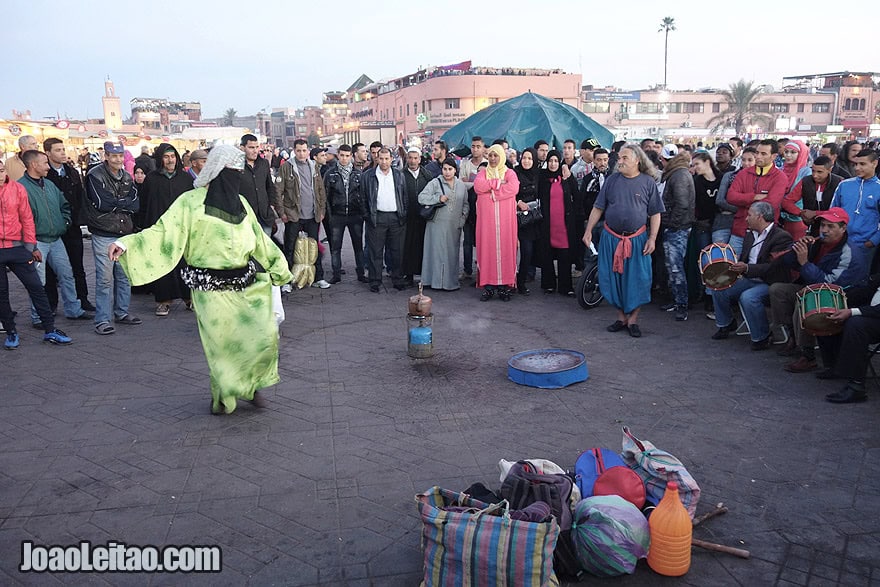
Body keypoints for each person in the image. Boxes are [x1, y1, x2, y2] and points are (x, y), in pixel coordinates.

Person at [109, 145, 293, 415]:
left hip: (245, 284)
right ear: (218, 171)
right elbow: (163, 232)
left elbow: (259, 241)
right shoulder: (190, 202)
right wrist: (126, 245)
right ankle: (224, 397)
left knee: (257, 337)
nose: (237, 176)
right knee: (222, 345)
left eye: (240, 172)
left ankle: (252, 386)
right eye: (234, 171)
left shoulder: (240, 203)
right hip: (210, 290)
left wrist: (281, 270)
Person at [582, 144, 664, 337]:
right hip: (611, 238)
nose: (620, 161)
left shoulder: (647, 182)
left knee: (639, 279)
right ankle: (621, 317)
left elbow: (655, 214)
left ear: (637, 160)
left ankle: (633, 320)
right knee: (612, 279)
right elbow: (598, 207)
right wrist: (588, 231)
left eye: (625, 158)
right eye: (619, 157)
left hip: (637, 240)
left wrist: (652, 238)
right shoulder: (611, 181)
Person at [772, 207, 868, 368]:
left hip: (839, 296)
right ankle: (793, 336)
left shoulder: (849, 253)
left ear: (843, 228)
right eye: (823, 225)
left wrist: (805, 263)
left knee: (802, 301)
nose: (825, 230)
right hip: (813, 287)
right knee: (777, 290)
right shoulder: (817, 242)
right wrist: (798, 248)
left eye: (831, 227)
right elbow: (788, 262)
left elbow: (829, 284)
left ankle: (808, 354)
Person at [0, 160, 73, 348]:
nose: (0, 174)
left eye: (1, 170)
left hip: (18, 248)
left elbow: (26, 218)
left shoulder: (17, 189)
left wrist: (31, 246)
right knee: (1, 294)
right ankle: (11, 332)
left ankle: (50, 329)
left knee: (37, 288)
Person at [18, 150, 92, 326]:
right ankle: (38, 317)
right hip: (36, 241)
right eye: (44, 163)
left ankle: (73, 309)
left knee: (67, 275)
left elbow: (64, 205)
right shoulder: (21, 188)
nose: (47, 166)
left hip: (56, 239)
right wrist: (30, 244)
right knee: (38, 281)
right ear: (33, 165)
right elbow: (19, 218)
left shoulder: (49, 184)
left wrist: (64, 222)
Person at [710, 202, 793, 349]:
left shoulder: (782, 237)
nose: (746, 219)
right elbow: (745, 258)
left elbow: (773, 268)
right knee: (718, 285)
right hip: (749, 277)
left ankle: (762, 336)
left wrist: (747, 268)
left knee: (748, 297)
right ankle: (726, 324)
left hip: (770, 282)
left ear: (760, 217)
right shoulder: (750, 234)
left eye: (749, 215)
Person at [85, 141, 142, 335]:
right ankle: (102, 319)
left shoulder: (126, 176)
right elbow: (101, 203)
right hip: (104, 232)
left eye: (120, 155)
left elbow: (135, 205)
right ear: (106, 156)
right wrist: (122, 204)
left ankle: (121, 312)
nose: (118, 159)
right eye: (113, 155)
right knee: (104, 279)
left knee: (124, 276)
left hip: (123, 232)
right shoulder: (95, 175)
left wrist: (117, 204)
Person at [139, 143, 194, 316]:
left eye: (172, 156)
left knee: (185, 264)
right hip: (159, 229)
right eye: (166, 157)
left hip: (182, 229)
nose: (170, 160)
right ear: (160, 159)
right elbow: (145, 204)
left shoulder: (186, 179)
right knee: (162, 264)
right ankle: (163, 301)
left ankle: (189, 298)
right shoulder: (152, 179)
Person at [43, 137, 94, 313]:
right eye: (58, 150)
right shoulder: (45, 174)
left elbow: (80, 197)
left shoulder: (71, 172)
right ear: (48, 153)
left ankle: (82, 299)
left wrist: (79, 220)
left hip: (71, 226)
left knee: (77, 265)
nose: (63, 153)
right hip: (53, 228)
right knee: (51, 270)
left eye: (63, 149)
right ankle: (51, 304)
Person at [275, 139, 329, 289]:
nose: (302, 153)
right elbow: (278, 191)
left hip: (312, 215)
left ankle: (318, 278)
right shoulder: (287, 167)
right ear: (294, 150)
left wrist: (322, 210)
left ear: (308, 151)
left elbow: (320, 190)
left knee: (314, 247)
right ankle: (287, 281)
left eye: (304, 150)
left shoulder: (314, 167)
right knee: (290, 248)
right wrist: (282, 212)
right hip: (293, 215)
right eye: (298, 150)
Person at [474, 144, 520, 301]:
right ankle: (488, 287)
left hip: (506, 222)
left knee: (506, 250)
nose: (493, 159)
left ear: (502, 157)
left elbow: (513, 188)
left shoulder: (510, 173)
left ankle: (504, 287)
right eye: (491, 155)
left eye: (496, 155)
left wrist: (491, 194)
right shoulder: (482, 173)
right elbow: (478, 186)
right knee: (487, 251)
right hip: (487, 224)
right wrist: (498, 184)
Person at [726, 139, 789, 254]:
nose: (758, 156)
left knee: (756, 269)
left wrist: (743, 200)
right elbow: (730, 196)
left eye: (763, 154)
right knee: (730, 267)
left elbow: (771, 205)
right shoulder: (743, 173)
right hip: (740, 230)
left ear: (774, 156)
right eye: (757, 152)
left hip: (763, 235)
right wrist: (754, 197)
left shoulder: (780, 177)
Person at [360, 148, 408, 292]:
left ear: (391, 159)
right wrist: (367, 216)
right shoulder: (368, 175)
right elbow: (362, 198)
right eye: (381, 158)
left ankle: (397, 279)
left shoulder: (399, 175)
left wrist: (403, 214)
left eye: (387, 159)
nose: (384, 162)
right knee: (376, 252)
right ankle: (375, 281)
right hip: (376, 218)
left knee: (397, 251)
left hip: (396, 217)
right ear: (377, 159)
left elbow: (404, 197)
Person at [418, 157, 469, 291]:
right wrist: (437, 198)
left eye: (450, 169)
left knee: (451, 254)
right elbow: (421, 198)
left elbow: (465, 205)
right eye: (445, 169)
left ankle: (449, 283)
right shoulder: (435, 183)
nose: (447, 172)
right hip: (436, 224)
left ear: (455, 170)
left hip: (454, 226)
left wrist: (461, 221)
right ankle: (433, 282)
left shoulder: (461, 186)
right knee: (435, 253)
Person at [657, 150, 695, 320]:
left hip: (677, 228)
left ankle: (681, 304)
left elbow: (682, 204)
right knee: (672, 267)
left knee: (675, 267)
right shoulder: (679, 173)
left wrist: (672, 224)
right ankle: (677, 301)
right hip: (676, 226)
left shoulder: (678, 175)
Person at [535, 150, 578, 297]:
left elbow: (576, 195)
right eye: (550, 161)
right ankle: (548, 284)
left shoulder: (566, 177)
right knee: (547, 254)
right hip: (547, 223)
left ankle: (566, 286)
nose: (553, 164)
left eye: (555, 161)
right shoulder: (542, 177)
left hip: (564, 224)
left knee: (564, 254)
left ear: (559, 161)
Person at [829, 149, 880, 266]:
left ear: (874, 163)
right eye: (855, 164)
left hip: (865, 244)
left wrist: (873, 241)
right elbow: (833, 212)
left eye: (862, 164)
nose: (857, 168)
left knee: (859, 279)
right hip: (840, 241)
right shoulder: (844, 185)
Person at [323, 144, 365, 284]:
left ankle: (361, 273)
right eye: (342, 155)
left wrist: (362, 213)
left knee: (358, 246)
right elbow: (326, 196)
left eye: (347, 156)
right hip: (337, 214)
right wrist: (329, 215)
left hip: (355, 214)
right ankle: (336, 274)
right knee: (336, 247)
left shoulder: (359, 174)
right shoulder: (330, 174)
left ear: (351, 156)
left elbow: (363, 196)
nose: (344, 159)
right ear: (338, 155)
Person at [781, 156, 844, 240]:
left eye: (819, 172)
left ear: (830, 170)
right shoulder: (806, 181)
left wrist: (815, 213)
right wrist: (801, 213)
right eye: (813, 171)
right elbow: (786, 202)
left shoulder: (839, 183)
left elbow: (842, 210)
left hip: (832, 228)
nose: (815, 175)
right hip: (812, 226)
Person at [401, 146, 432, 286]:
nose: (412, 161)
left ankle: (424, 274)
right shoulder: (400, 175)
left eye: (415, 158)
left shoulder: (427, 175)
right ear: (407, 159)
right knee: (407, 246)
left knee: (423, 245)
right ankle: (408, 274)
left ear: (419, 159)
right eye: (410, 158)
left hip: (422, 217)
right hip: (406, 217)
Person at [458, 137, 487, 282]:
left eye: (478, 146)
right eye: (473, 146)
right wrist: (478, 184)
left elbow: (489, 185)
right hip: (468, 208)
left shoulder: (488, 164)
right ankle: (467, 270)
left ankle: (483, 271)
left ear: (483, 148)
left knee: (483, 242)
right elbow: (461, 184)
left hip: (484, 211)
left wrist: (471, 182)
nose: (475, 149)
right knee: (467, 242)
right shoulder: (465, 164)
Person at [238, 134, 278, 237]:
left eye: (257, 147)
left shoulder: (263, 163)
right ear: (242, 148)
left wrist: (272, 205)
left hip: (265, 215)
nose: (255, 151)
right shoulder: (236, 166)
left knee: (265, 249)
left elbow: (270, 186)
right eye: (251, 147)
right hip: (246, 217)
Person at [514, 148, 540, 295]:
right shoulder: (515, 173)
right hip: (517, 217)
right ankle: (514, 281)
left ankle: (521, 280)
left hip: (533, 219)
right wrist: (518, 201)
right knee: (518, 251)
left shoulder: (538, 174)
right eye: (524, 158)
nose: (526, 161)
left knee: (528, 252)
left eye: (530, 158)